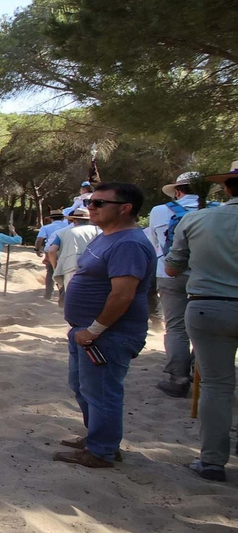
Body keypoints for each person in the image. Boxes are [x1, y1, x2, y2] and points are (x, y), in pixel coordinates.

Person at [54, 182, 157, 469]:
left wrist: (95, 330)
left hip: (108, 334)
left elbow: (122, 294)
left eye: (99, 203)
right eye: (90, 202)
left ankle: (101, 451)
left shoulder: (129, 243)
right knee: (83, 387)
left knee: (101, 391)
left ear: (125, 209)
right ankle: (98, 439)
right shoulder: (107, 237)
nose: (90, 208)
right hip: (87, 332)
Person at [164, 162, 238, 482]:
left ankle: (212, 461)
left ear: (227, 187)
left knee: (216, 386)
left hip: (210, 306)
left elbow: (172, 268)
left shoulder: (196, 219)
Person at [149, 171, 206, 398]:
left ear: (178, 191)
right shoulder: (216, 210)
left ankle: (178, 378)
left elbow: (156, 244)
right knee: (205, 327)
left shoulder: (160, 211)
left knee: (175, 327)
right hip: (207, 275)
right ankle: (198, 370)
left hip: (170, 273)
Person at [46, 208, 100, 307]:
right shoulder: (98, 231)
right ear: (90, 220)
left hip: (71, 268)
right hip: (94, 268)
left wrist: (55, 267)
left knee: (73, 298)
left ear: (74, 220)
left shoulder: (63, 232)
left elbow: (51, 250)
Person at [35, 209, 69, 300]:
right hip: (65, 251)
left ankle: (48, 294)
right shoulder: (68, 226)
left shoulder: (46, 227)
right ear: (62, 218)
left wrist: (37, 249)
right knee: (65, 273)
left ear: (51, 218)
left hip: (51, 251)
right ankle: (63, 295)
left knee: (51, 272)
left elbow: (39, 239)